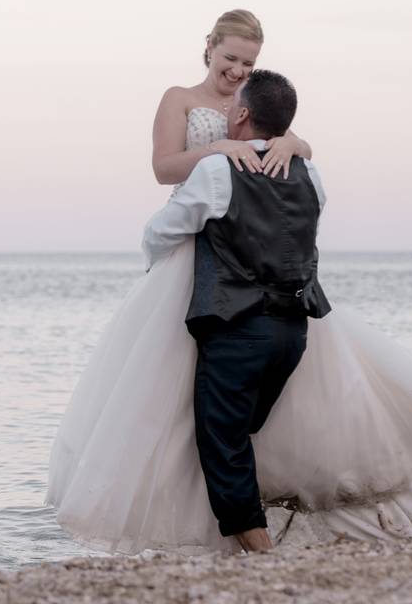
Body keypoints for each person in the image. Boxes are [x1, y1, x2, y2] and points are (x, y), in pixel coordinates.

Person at [46, 10, 412, 554]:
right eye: (229, 58)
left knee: (240, 407)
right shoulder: (179, 99)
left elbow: (293, 146)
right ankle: (200, 524)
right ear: (208, 48)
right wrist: (218, 150)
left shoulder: (261, 102)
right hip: (198, 245)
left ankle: (251, 520)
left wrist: (291, 145)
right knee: (176, 401)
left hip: (250, 252)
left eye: (248, 63)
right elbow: (164, 168)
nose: (237, 70)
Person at [142, 69, 330, 552]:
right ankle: (265, 533)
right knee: (245, 429)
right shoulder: (312, 173)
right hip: (293, 333)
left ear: (243, 115)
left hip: (236, 327)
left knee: (220, 440)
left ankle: (262, 551)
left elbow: (159, 233)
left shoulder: (217, 171)